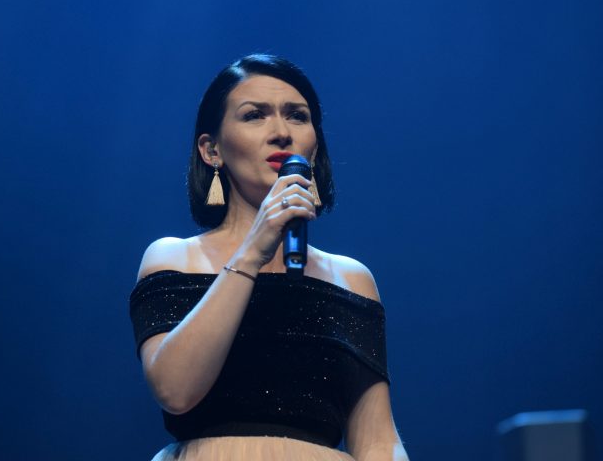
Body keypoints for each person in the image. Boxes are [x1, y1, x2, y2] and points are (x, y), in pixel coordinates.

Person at [129, 54, 409, 461]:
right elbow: (175, 391)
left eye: (297, 116)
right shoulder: (174, 258)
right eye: (254, 115)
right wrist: (252, 252)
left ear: (315, 146)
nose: (281, 133)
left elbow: (378, 439)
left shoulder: (350, 279)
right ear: (211, 150)